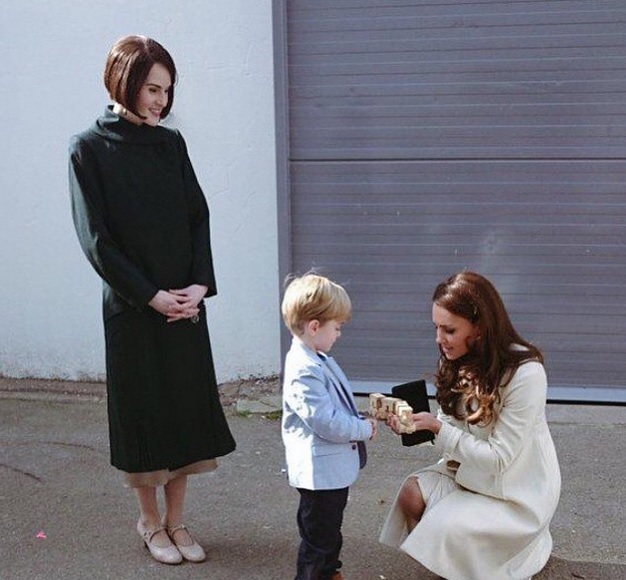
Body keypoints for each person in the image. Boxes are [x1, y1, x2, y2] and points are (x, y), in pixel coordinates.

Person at [68, 35, 236, 565]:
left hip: (183, 303)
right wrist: (150, 296)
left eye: (167, 90)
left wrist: (199, 286)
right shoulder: (87, 149)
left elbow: (197, 215)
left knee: (184, 410)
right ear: (124, 84)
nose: (161, 102)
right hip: (133, 307)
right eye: (152, 89)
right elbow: (96, 240)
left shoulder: (171, 144)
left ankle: (178, 521)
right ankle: (149, 522)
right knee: (143, 414)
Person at [379, 271, 561, 580]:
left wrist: (438, 430)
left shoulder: (526, 374)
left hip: (515, 490)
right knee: (410, 494)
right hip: (471, 474)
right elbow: (450, 427)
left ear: (479, 326)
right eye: (436, 328)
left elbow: (499, 458)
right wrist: (419, 426)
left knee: (445, 528)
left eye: (449, 329)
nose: (439, 339)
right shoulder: (456, 357)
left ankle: (507, 552)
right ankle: (457, 565)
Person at [281, 273, 378, 580]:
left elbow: (335, 407)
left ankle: (329, 572)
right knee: (318, 539)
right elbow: (326, 421)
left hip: (328, 473)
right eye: (336, 327)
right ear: (314, 327)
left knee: (328, 531)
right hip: (319, 475)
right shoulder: (304, 369)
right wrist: (362, 429)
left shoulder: (316, 358)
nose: (338, 334)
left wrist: (359, 419)